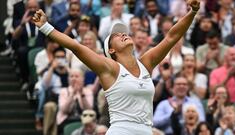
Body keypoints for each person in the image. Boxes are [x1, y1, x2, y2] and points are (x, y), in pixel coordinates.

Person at [32, 0, 200, 134]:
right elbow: (77, 47)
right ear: (111, 50)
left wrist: (192, 12)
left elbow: (171, 37)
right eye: (117, 35)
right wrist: (46, 27)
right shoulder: (109, 68)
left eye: (124, 32)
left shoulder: (146, 63)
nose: (123, 34)